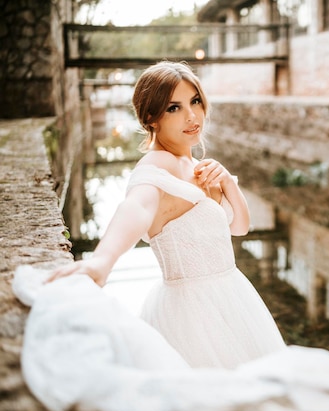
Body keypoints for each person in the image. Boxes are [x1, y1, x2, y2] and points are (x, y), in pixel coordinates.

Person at [47, 61, 286, 368]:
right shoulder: (157, 164)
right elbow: (136, 207)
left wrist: (227, 181)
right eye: (174, 108)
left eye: (195, 101)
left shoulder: (196, 166)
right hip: (192, 312)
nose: (192, 116)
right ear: (151, 117)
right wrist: (101, 261)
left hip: (233, 296)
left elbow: (240, 227)